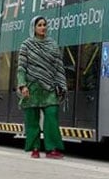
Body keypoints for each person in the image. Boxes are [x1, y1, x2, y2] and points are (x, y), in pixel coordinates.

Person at [17, 16, 67, 159]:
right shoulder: (26, 45)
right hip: (31, 88)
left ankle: (52, 149)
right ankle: (35, 148)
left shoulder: (52, 44)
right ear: (34, 27)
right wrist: (23, 85)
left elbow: (58, 67)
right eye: (39, 25)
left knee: (52, 115)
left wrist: (61, 85)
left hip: (49, 88)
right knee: (32, 120)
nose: (43, 27)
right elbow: (21, 68)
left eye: (44, 24)